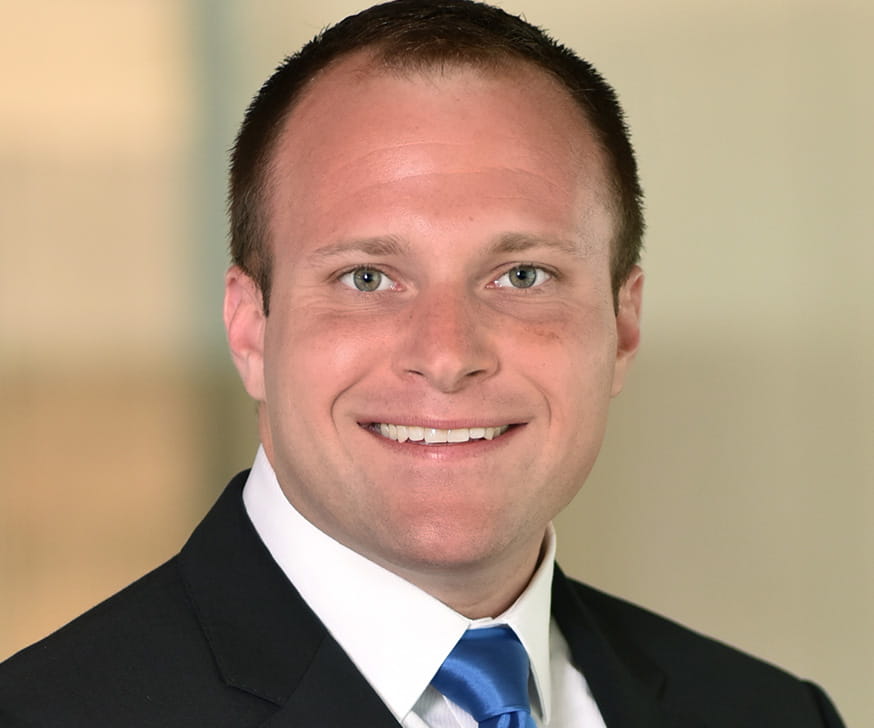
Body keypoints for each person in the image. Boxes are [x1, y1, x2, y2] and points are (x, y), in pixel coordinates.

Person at [0, 1, 846, 726]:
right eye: (367, 278)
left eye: (523, 276)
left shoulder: (770, 713)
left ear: (623, 326)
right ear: (250, 328)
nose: (446, 356)